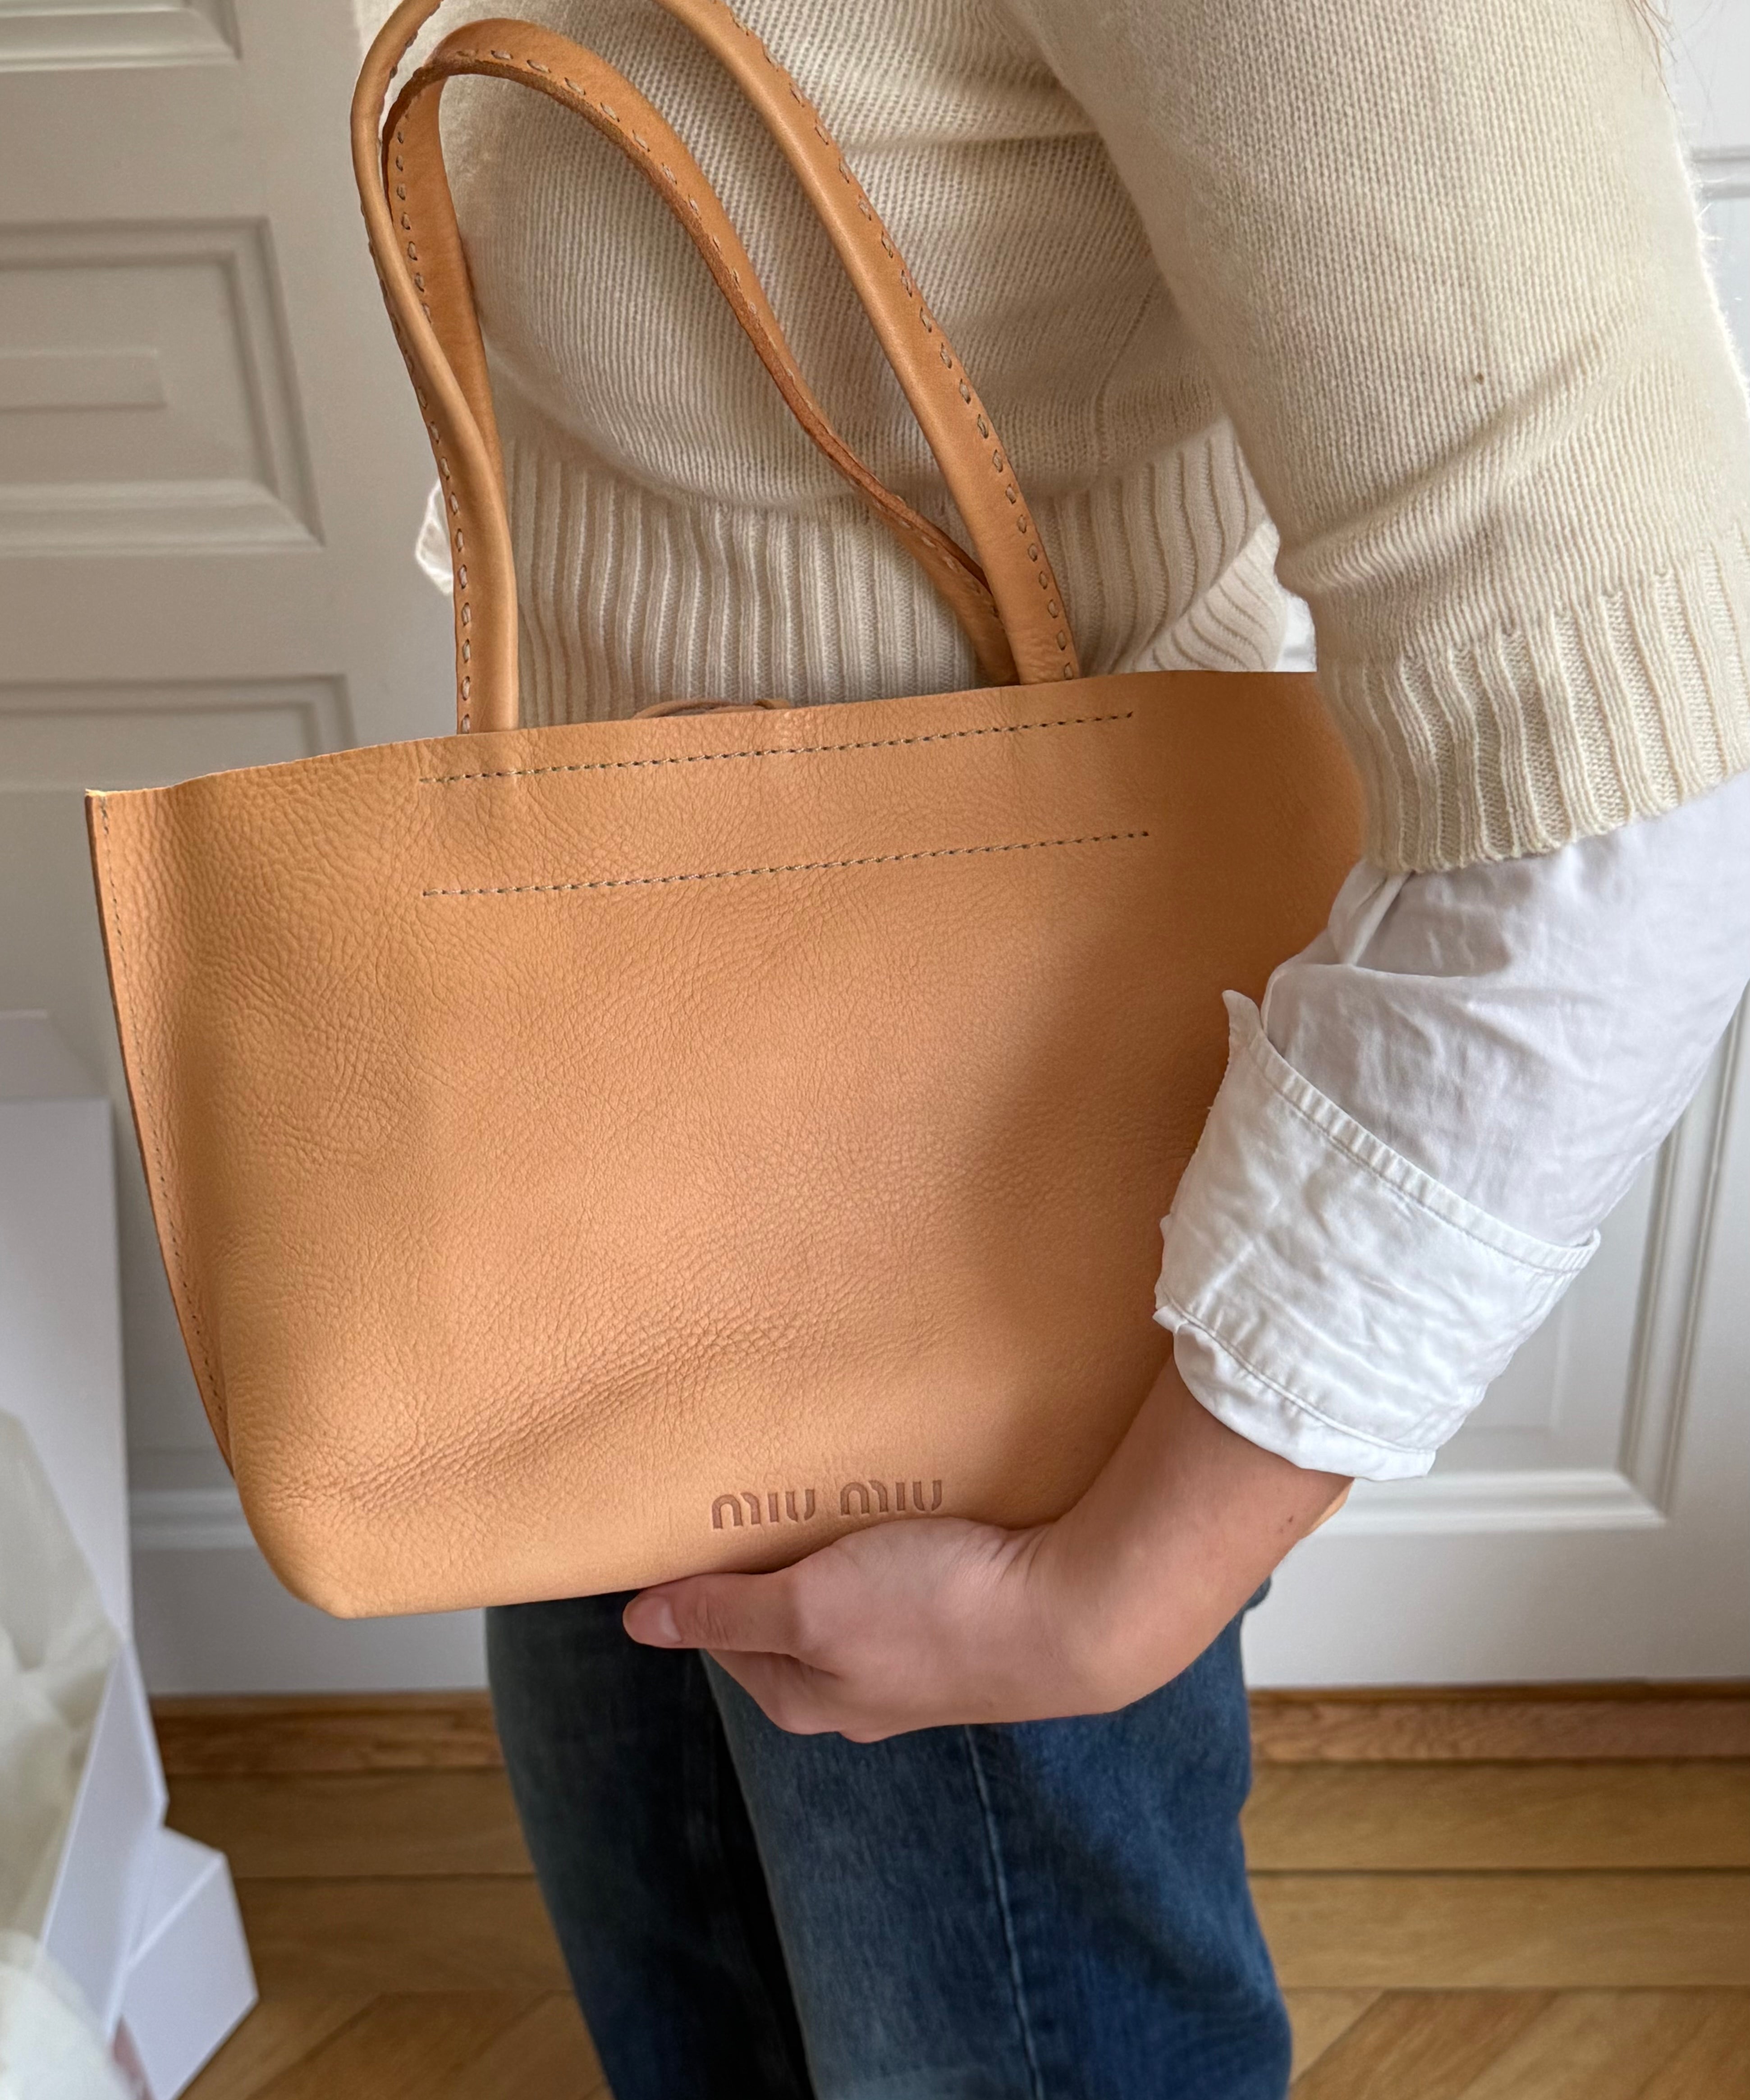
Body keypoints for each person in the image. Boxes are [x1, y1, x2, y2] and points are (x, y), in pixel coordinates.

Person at [387, 1, 1750, 2092]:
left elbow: (1631, 811)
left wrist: (1109, 1593)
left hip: (963, 1202)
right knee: (691, 2011)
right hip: (595, 1092)